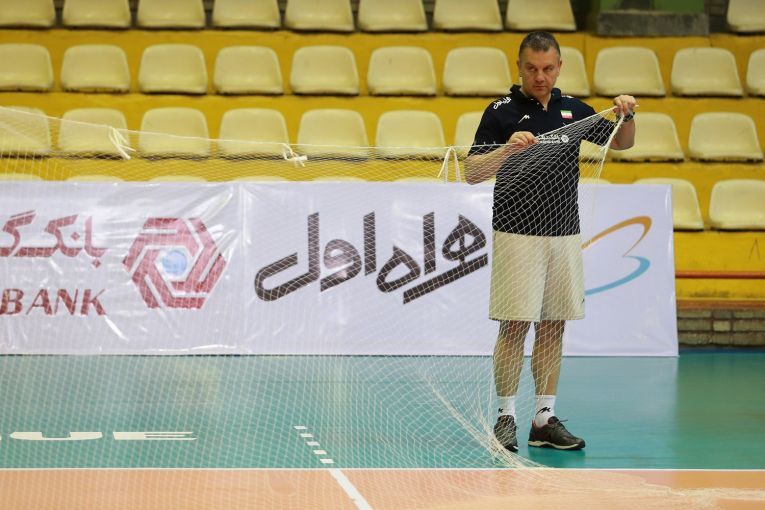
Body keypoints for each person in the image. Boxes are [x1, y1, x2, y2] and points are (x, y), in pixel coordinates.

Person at [464, 31, 636, 452]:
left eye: (547, 68)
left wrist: (627, 114)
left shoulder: (574, 110)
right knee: (514, 326)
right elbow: (471, 172)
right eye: (531, 68)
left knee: (553, 325)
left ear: (559, 68)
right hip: (516, 233)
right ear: (519, 67)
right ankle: (505, 417)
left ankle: (543, 419)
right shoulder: (500, 112)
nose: (539, 76)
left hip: (563, 233)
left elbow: (623, 143)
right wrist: (506, 151)